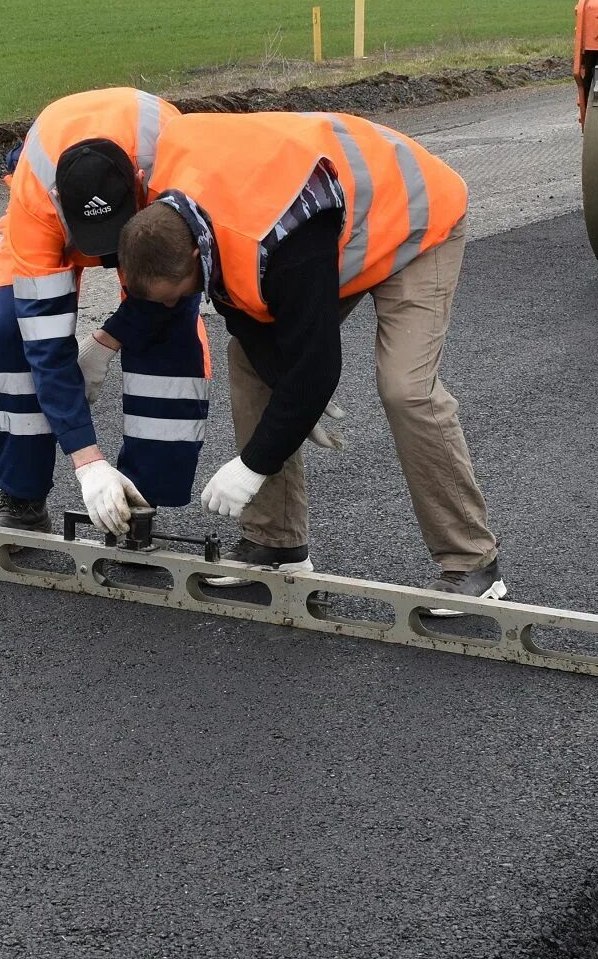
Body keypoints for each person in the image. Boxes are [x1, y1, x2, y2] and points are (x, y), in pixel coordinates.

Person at [115, 110, 505, 601]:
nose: (174, 305)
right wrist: (287, 387)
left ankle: (473, 563)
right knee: (251, 362)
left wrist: (254, 463)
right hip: (342, 228)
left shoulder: (277, 236)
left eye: (177, 293)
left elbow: (318, 367)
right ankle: (276, 546)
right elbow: (243, 313)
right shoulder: (168, 214)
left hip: (416, 220)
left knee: (406, 389)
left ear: (196, 255)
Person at [0, 87, 210, 539]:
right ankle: (22, 503)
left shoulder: (176, 168)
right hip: (47, 221)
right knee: (10, 336)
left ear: (139, 181)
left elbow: (174, 290)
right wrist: (88, 462)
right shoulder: (36, 194)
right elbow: (42, 339)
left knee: (169, 328)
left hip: (154, 215)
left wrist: (107, 341)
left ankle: (137, 506)